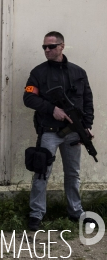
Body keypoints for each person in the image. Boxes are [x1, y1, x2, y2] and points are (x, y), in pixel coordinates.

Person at [23, 31, 94, 231]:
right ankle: (36, 214)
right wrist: (51, 109)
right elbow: (28, 98)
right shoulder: (38, 73)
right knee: (41, 172)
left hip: (73, 132)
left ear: (62, 46)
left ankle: (76, 211)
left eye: (51, 46)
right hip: (50, 131)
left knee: (73, 173)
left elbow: (88, 101)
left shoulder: (78, 72)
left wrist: (86, 127)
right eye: (44, 47)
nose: (47, 50)